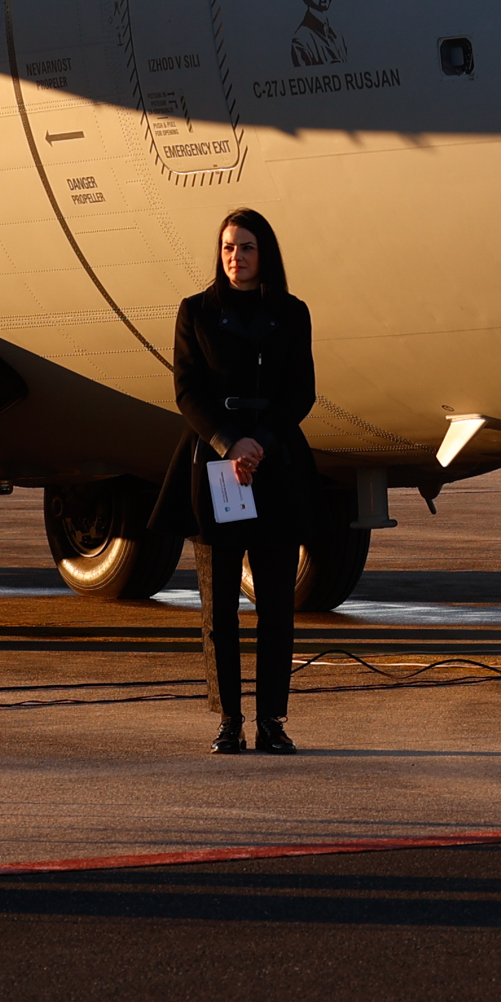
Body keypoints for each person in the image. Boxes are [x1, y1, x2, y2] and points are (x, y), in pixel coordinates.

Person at [171, 207, 317, 755]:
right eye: (229, 247)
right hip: (218, 467)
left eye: (247, 247)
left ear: (265, 254)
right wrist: (231, 442)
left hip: (273, 463)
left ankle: (271, 721)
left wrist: (261, 442)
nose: (236, 257)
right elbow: (188, 392)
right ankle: (229, 720)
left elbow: (301, 391)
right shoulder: (196, 312)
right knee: (220, 609)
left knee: (276, 606)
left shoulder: (292, 313)